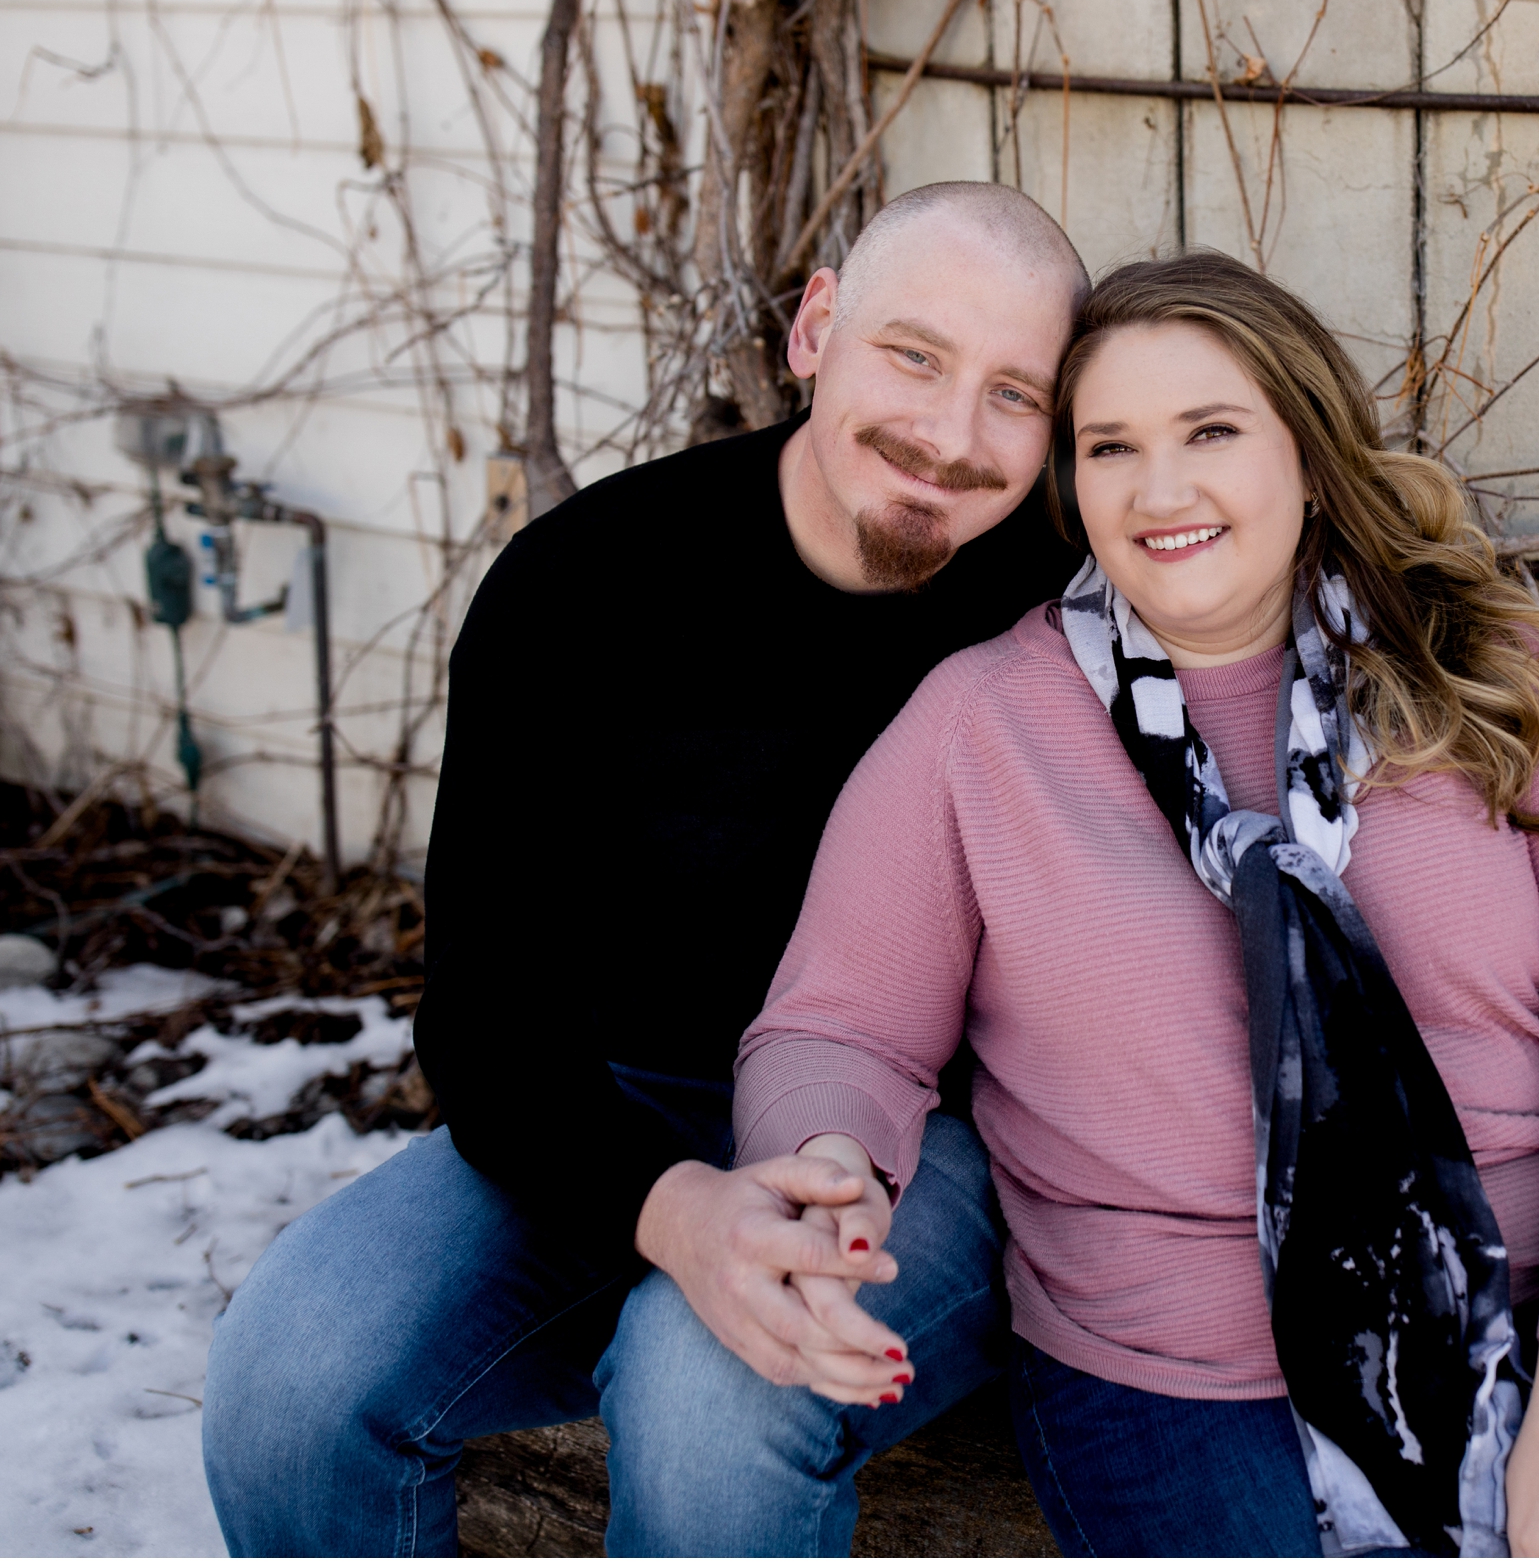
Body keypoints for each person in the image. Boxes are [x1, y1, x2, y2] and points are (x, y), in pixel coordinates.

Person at [732, 251, 1539, 1557]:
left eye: (1211, 433)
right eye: (1111, 446)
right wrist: (829, 1157)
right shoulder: (983, 727)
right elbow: (836, 1026)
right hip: (1184, 1347)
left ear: (1306, 449)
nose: (1160, 489)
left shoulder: (1486, 673)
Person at [200, 182, 1090, 1555]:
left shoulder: (1072, 602)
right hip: (621, 1101)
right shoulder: (588, 585)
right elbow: (487, 1018)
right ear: (817, 329)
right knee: (291, 1374)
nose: (949, 439)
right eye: (912, 356)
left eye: (1012, 395)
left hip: (936, 1139)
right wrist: (674, 1210)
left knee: (715, 1387)